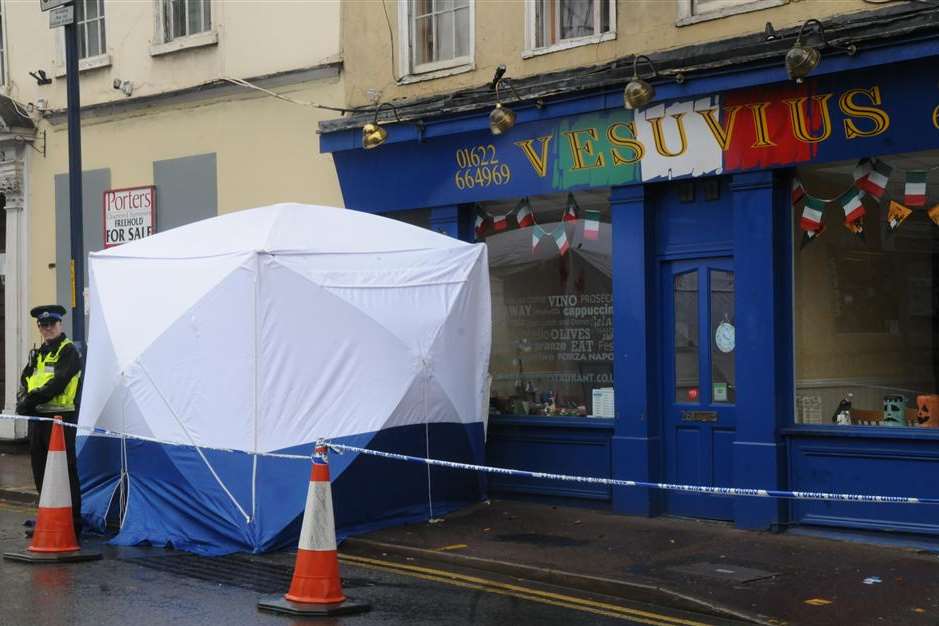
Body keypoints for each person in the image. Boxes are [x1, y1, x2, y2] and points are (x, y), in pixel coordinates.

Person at [16, 304, 83, 539]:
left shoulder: (68, 351)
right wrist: (23, 400)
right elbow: (26, 379)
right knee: (41, 470)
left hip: (60, 420)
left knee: (64, 472)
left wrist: (30, 401)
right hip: (39, 420)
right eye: (43, 325)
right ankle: (47, 519)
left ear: (60, 325)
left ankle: (72, 522)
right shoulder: (38, 353)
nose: (48, 328)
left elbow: (59, 382)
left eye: (51, 324)